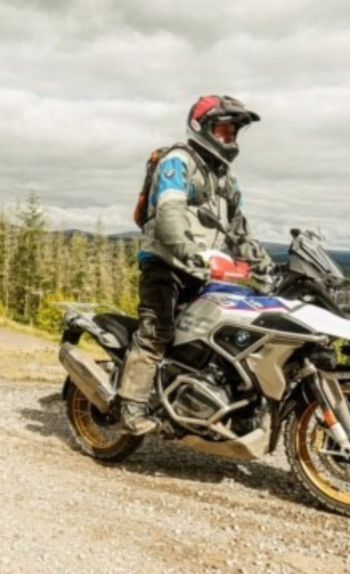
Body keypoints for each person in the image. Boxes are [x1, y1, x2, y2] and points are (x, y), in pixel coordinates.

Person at [119, 94, 274, 435]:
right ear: (201, 127)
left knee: (222, 338)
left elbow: (238, 229)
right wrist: (189, 251)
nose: (229, 138)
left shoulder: (225, 177)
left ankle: (211, 406)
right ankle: (131, 407)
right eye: (223, 130)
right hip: (166, 263)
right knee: (157, 333)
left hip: (206, 271)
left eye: (234, 132)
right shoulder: (178, 162)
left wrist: (263, 263)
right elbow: (169, 215)